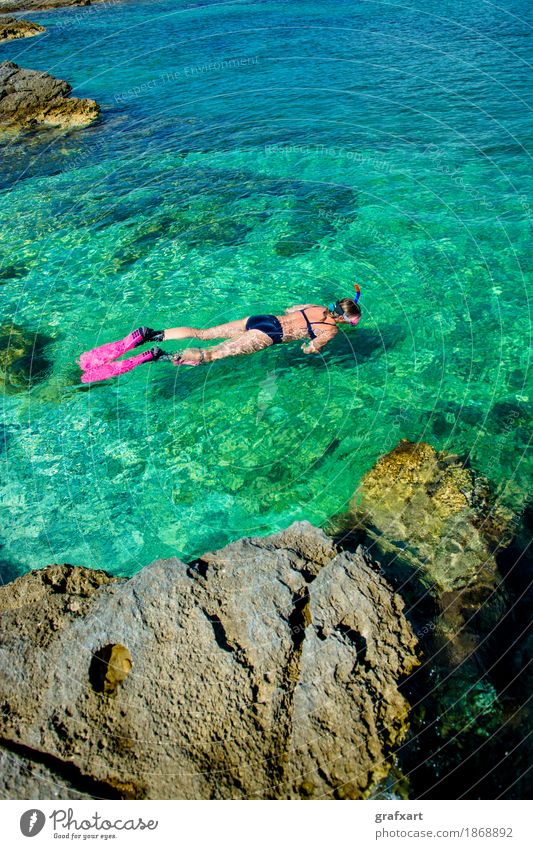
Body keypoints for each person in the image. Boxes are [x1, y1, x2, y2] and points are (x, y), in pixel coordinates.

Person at [78, 296, 361, 382]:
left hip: (264, 319)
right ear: (345, 319)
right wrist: (309, 346)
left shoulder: (314, 307)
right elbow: (312, 348)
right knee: (210, 354)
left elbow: (290, 310)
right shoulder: (332, 329)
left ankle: (152, 334)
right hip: (271, 335)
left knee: (204, 333)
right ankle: (156, 355)